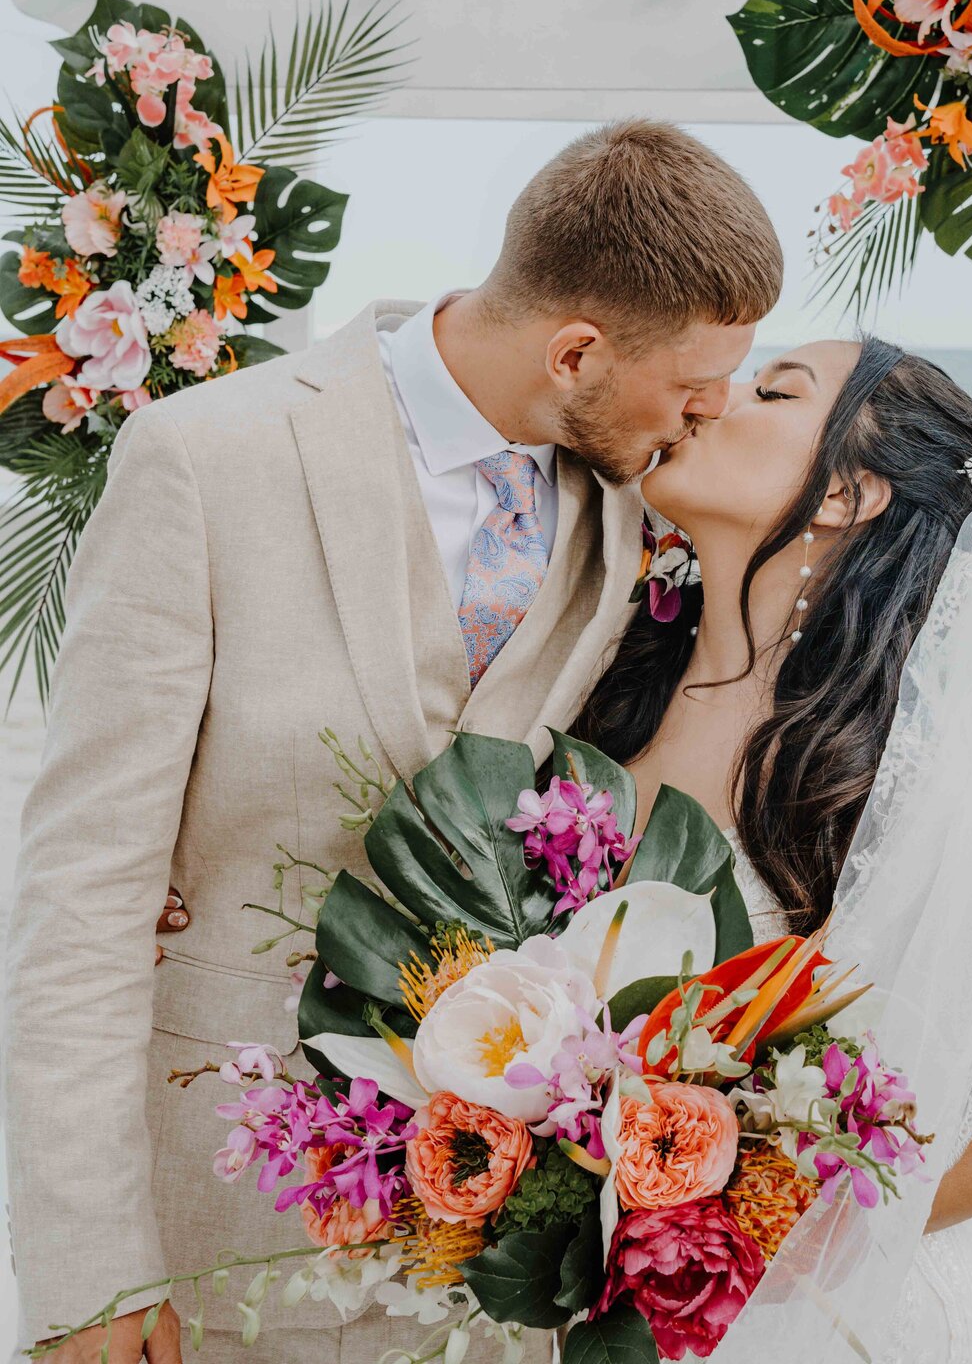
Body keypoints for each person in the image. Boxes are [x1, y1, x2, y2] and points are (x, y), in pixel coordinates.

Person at [3, 119, 783, 1364]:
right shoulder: (207, 461)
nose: (713, 410)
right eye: (693, 384)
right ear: (575, 351)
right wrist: (85, 1273)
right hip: (220, 1212)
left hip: (489, 1260)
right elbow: (81, 895)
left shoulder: (640, 505)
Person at [575, 336, 972, 1363]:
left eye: (773, 390)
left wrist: (747, 1254)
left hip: (831, 1323)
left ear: (847, 495)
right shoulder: (600, 692)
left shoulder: (900, 771)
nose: (714, 399)